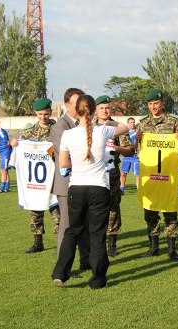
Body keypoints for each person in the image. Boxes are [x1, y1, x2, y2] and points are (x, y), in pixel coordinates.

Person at [51, 95, 128, 289]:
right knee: (97, 235)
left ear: (77, 111)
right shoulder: (103, 131)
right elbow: (126, 127)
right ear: (94, 111)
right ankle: (97, 279)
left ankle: (60, 272)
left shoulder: (68, 135)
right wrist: (106, 119)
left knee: (72, 231)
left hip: (76, 188)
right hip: (98, 188)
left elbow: (63, 164)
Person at [135, 88, 178, 261]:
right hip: (150, 176)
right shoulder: (143, 124)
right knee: (150, 212)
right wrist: (136, 138)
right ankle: (154, 247)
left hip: (168, 176)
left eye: (156, 103)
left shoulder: (174, 122)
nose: (153, 107)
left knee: (170, 212)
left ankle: (172, 249)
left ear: (162, 103)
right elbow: (136, 149)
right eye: (150, 104)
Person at [10, 98, 60, 254]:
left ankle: (63, 243)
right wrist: (15, 144)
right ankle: (38, 242)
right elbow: (21, 148)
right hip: (35, 181)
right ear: (35, 114)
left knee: (57, 211)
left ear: (51, 112)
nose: (43, 117)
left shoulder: (58, 129)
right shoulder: (29, 131)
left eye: (46, 114)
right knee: (35, 210)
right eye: (40, 114)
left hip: (54, 177)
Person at [49, 88, 88, 265]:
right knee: (66, 225)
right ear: (67, 105)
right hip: (66, 184)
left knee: (84, 223)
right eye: (77, 102)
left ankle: (85, 260)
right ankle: (62, 265)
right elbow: (67, 155)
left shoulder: (84, 124)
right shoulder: (59, 127)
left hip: (83, 181)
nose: (81, 106)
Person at [94, 95, 135, 257]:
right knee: (94, 208)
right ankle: (97, 241)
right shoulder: (89, 126)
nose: (104, 111)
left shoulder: (117, 127)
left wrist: (116, 148)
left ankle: (112, 243)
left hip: (111, 173)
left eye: (107, 108)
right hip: (94, 173)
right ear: (96, 110)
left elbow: (130, 150)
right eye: (101, 108)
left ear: (111, 109)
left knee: (113, 207)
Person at [120, 117, 140, 194]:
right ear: (128, 123)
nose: (133, 124)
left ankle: (139, 190)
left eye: (134, 122)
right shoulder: (125, 133)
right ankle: (121, 189)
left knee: (137, 175)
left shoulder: (137, 133)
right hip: (127, 157)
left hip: (135, 157)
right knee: (123, 173)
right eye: (131, 122)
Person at [0, 119, 12, 192]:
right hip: (2, 153)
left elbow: (7, 141)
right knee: (4, 170)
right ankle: (7, 187)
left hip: (5, 153)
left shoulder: (1, 131)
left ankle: (2, 188)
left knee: (3, 170)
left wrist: (8, 152)